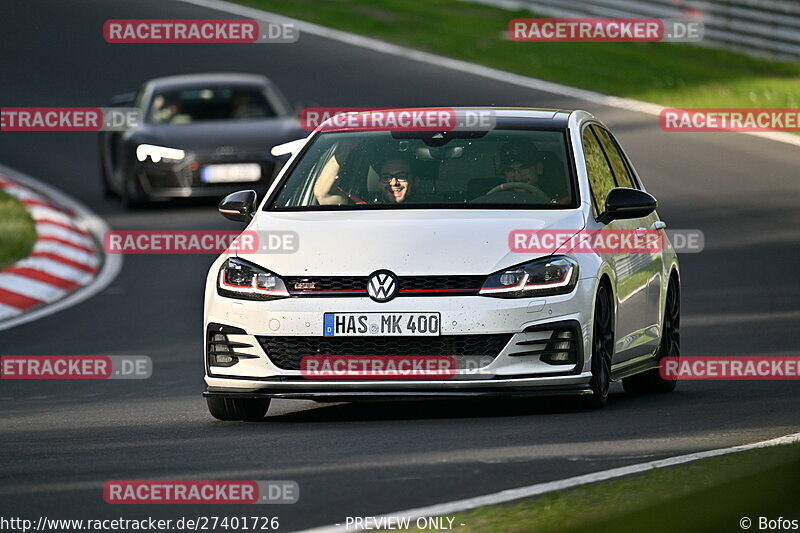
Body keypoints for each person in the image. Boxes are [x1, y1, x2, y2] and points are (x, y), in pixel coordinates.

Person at [313, 143, 419, 205]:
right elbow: (323, 194)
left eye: (401, 177)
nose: (393, 183)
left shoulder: (431, 208)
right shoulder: (364, 205)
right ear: (379, 183)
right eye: (386, 177)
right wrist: (344, 150)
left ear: (416, 181)